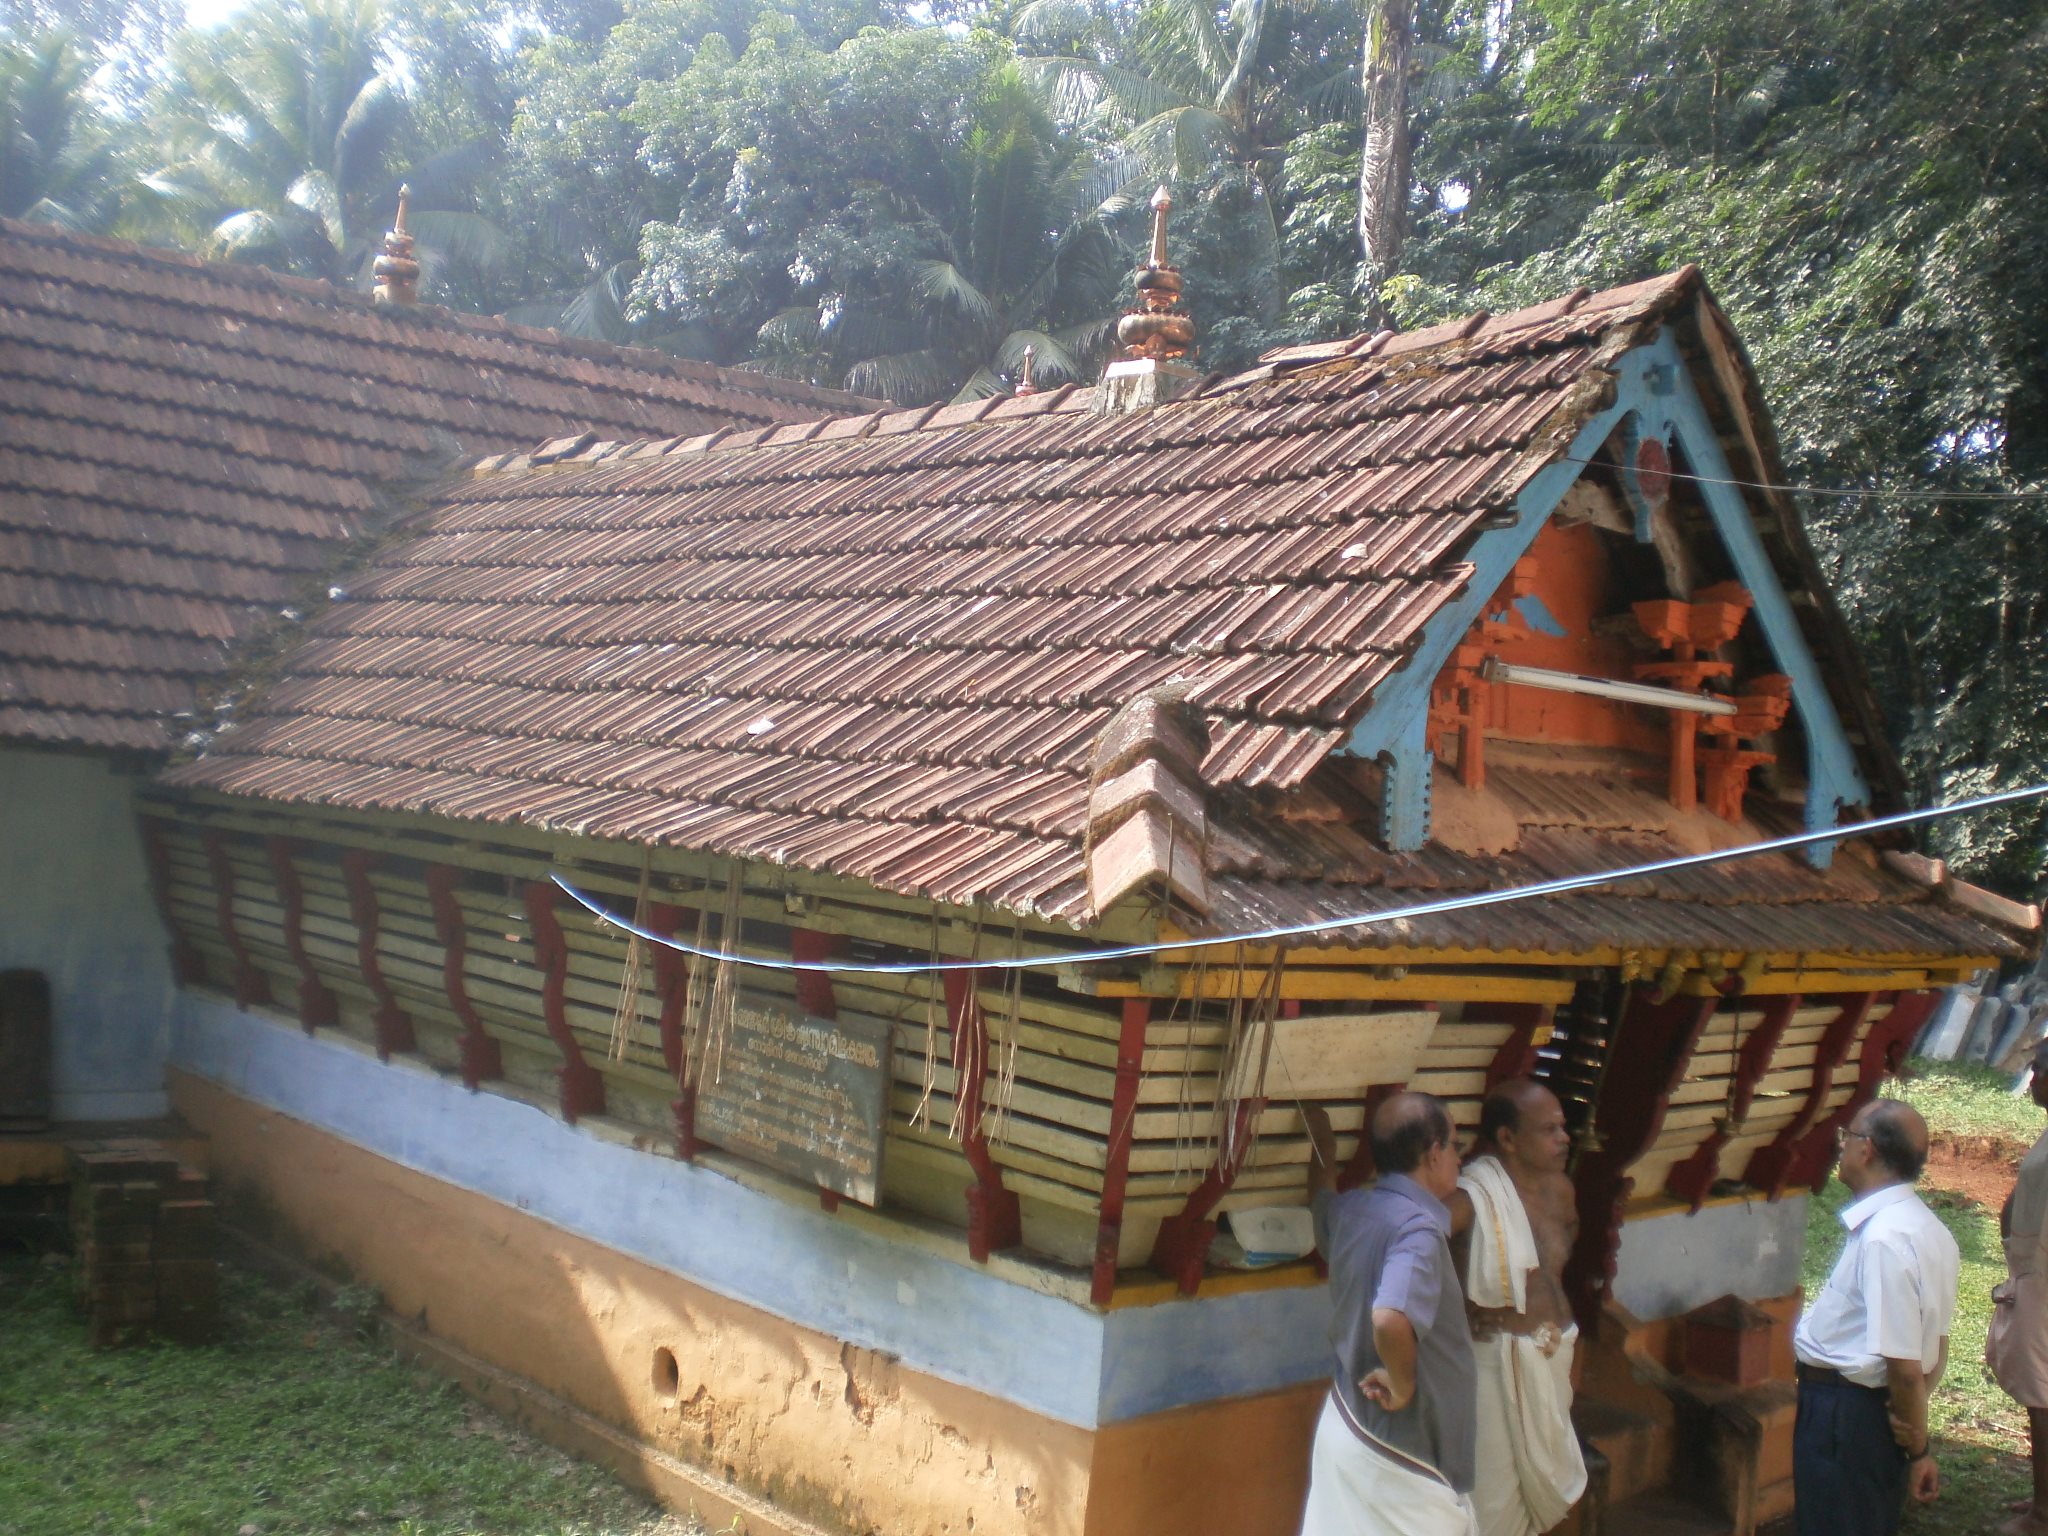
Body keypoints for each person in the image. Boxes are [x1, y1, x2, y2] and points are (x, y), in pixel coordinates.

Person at [1300, 1092, 1478, 1536]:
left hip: (1352, 1437)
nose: (1460, 1158)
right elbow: (1390, 1317)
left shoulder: (1352, 1211)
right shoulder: (1417, 1230)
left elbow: (1320, 1194)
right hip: (1401, 1465)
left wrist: (1321, 1138)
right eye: (1455, 1146)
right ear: (1433, 1154)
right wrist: (1402, 1384)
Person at [1792, 1098, 1958, 1536]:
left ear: (1866, 1150)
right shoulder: (1930, 1230)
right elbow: (1936, 1348)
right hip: (1868, 1415)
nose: (1840, 1148)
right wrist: (1911, 1418)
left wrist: (1919, 1448)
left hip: (1846, 1419)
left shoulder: (1885, 1238)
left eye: (1846, 1137)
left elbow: (1904, 1368)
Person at [1448, 1081, 1588, 1536]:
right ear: (1507, 1139)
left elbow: (1557, 1274)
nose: (1564, 1138)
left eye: (1563, 1127)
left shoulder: (1562, 1190)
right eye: (1549, 1129)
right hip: (1496, 1366)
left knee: (1543, 1499)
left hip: (1554, 1356)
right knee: (1490, 1510)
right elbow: (1411, 1242)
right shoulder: (1471, 1197)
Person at [1989, 1038, 2048, 1536]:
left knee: (2041, 1394)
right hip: (2032, 1271)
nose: (2032, 1080)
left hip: (2043, 1279)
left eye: (2038, 1071)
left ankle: (2043, 1516)